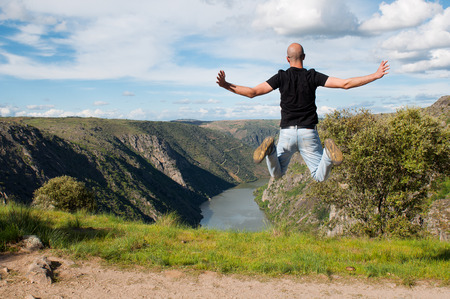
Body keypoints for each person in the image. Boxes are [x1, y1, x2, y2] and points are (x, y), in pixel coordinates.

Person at [216, 43, 389, 182]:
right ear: (304, 57)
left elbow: (252, 92)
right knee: (319, 176)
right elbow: (345, 84)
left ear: (287, 58)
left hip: (287, 134)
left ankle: (270, 152)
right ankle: (328, 155)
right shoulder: (312, 76)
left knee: (276, 175)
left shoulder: (281, 77)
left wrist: (226, 85)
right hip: (309, 134)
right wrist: (374, 75)